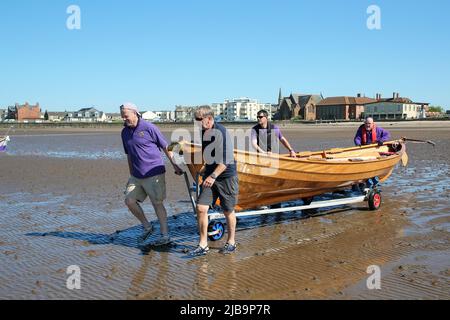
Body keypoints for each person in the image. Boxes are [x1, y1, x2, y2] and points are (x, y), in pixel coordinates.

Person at [120, 102, 183, 246]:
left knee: (157, 204)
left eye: (126, 116)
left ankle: (165, 235)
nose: (124, 119)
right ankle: (148, 227)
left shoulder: (149, 127)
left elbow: (166, 146)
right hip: (136, 175)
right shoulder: (124, 132)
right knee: (129, 201)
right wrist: (131, 174)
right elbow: (129, 154)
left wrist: (175, 165)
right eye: (122, 117)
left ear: (135, 113)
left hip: (154, 172)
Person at [189, 106, 239, 256]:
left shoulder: (221, 132)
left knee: (228, 210)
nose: (196, 123)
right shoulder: (203, 132)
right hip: (210, 175)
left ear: (209, 119)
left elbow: (226, 160)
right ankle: (203, 244)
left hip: (225, 176)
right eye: (195, 120)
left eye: (199, 120)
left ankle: (231, 242)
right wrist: (205, 169)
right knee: (201, 208)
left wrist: (213, 176)